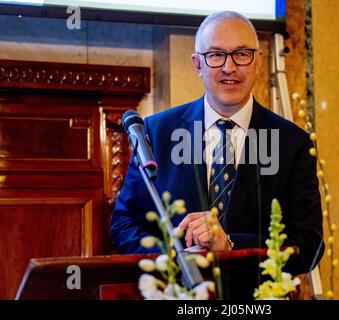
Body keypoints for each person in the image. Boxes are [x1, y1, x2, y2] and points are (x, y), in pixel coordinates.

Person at [112, 11, 324, 274]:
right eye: (215, 55)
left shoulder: (292, 144)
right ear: (197, 64)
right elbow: (124, 225)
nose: (229, 67)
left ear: (258, 61)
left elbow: (310, 245)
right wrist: (174, 256)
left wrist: (232, 245)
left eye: (241, 54)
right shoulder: (157, 133)